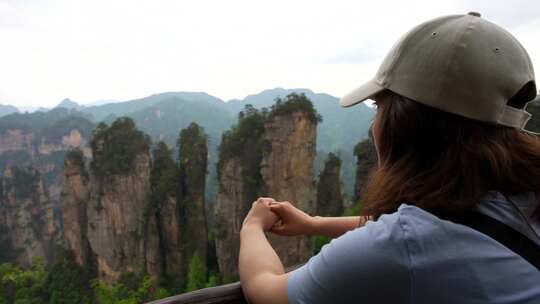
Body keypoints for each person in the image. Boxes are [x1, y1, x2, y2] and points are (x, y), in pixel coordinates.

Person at [238, 12, 540, 304]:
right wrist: (314, 224)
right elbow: (444, 225)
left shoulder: (402, 248)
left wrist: (252, 227)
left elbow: (268, 292)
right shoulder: (524, 198)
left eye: (378, 107)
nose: (374, 125)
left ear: (404, 124)